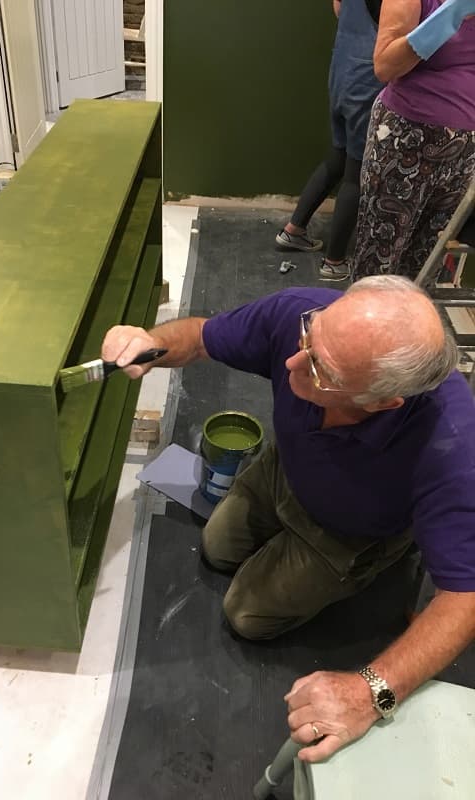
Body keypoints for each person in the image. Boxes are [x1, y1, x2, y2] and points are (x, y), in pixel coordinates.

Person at [101, 276, 475, 762]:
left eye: (323, 370)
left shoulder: (452, 447)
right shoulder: (305, 316)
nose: (295, 361)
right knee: (217, 546)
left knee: (246, 616)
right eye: (309, 338)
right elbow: (198, 336)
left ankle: (387, 555)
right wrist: (150, 344)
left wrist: (370, 693)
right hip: (291, 467)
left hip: (351, 530)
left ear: (384, 402)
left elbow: (465, 594)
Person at [351, 0, 475, 281]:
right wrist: (449, 15)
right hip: (405, 139)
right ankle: (365, 325)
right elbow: (385, 66)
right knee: (378, 258)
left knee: (427, 261)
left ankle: (411, 324)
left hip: (464, 150)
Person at [276, 0, 384, 281]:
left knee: (337, 156)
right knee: (355, 173)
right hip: (367, 75)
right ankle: (334, 261)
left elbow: (340, 8)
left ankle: (293, 230)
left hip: (343, 68)